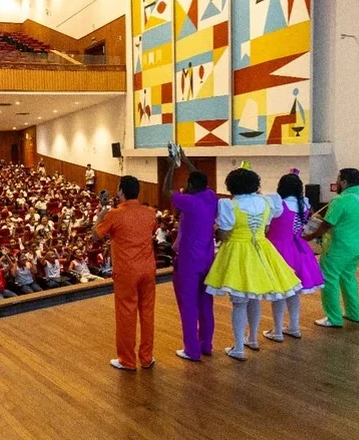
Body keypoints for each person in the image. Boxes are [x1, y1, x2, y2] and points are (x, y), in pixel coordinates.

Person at [204, 168, 301, 361]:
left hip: (238, 252)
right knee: (254, 295)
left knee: (240, 302)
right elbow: (266, 227)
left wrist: (217, 231)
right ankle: (252, 338)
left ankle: (239, 347)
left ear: (231, 186)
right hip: (262, 250)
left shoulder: (229, 205)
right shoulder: (267, 202)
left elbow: (224, 233)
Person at [94, 175, 157, 370]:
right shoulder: (150, 213)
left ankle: (127, 360)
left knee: (126, 314)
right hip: (148, 268)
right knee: (147, 312)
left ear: (121, 192)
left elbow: (96, 235)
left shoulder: (114, 214)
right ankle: (146, 358)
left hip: (127, 271)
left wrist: (100, 214)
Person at [162, 148, 218, 361]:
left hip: (188, 261)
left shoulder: (189, 201)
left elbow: (166, 191)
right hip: (207, 258)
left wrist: (171, 166)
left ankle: (192, 350)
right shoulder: (210, 197)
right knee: (206, 304)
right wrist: (185, 161)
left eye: (188, 184)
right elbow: (199, 178)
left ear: (192, 186)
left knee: (188, 305)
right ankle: (206, 345)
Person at [305, 168, 359, 327]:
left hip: (338, 246)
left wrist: (309, 237)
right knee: (348, 278)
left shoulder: (340, 200)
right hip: (358, 245)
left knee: (329, 279)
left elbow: (327, 225)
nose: (336, 182)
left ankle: (333, 318)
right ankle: (353, 313)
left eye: (338, 179)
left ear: (344, 182)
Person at [263, 171, 325, 342]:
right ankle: (294, 326)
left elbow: (267, 227)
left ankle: (277, 330)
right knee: (293, 292)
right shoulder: (304, 204)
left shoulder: (278, 203)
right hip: (299, 249)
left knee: (280, 291)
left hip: (278, 250)